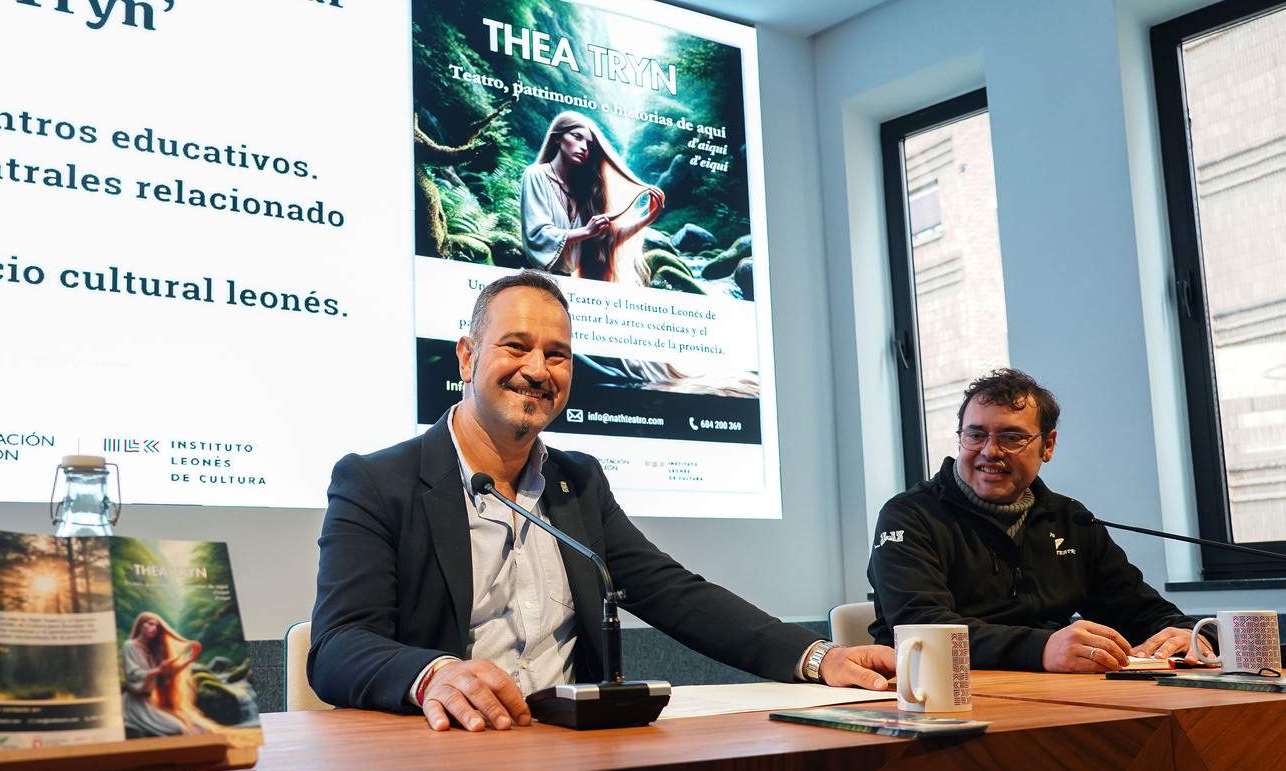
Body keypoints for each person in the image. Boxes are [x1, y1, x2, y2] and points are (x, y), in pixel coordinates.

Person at [310, 270, 896, 732]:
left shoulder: (578, 483)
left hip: (574, 754)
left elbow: (673, 593)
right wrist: (433, 675)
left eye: (558, 355)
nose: (537, 371)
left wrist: (819, 657)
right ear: (466, 357)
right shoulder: (376, 482)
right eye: (516, 346)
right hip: (449, 752)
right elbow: (338, 646)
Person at [867, 368, 1213, 672]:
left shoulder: (1071, 520)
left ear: (1048, 446)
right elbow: (921, 628)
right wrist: (1043, 648)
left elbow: (1142, 614)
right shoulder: (909, 516)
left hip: (1057, 695)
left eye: (1011, 437)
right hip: (938, 696)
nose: (990, 450)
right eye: (975, 435)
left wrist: (1191, 636)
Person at [521, 111, 664, 284]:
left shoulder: (584, 190)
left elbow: (607, 241)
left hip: (566, 285)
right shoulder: (536, 174)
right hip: (534, 281)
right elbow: (538, 235)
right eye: (577, 137)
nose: (584, 148)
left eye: (589, 145)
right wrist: (586, 231)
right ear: (557, 138)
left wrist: (648, 218)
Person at [122, 611, 215, 735]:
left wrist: (190, 659)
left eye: (156, 626)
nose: (154, 628)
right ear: (140, 625)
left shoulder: (152, 652)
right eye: (150, 624)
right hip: (134, 704)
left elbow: (167, 676)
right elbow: (134, 675)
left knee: (197, 728)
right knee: (177, 729)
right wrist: (159, 669)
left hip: (148, 703)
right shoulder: (129, 646)